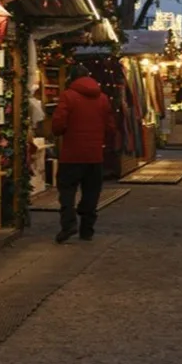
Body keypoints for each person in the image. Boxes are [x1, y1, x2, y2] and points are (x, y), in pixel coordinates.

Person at [51, 64, 116, 243]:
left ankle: (68, 224)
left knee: (67, 190)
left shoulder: (68, 96)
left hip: (71, 153)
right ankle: (87, 229)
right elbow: (110, 126)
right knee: (92, 191)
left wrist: (59, 132)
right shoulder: (102, 98)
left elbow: (58, 124)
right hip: (94, 154)